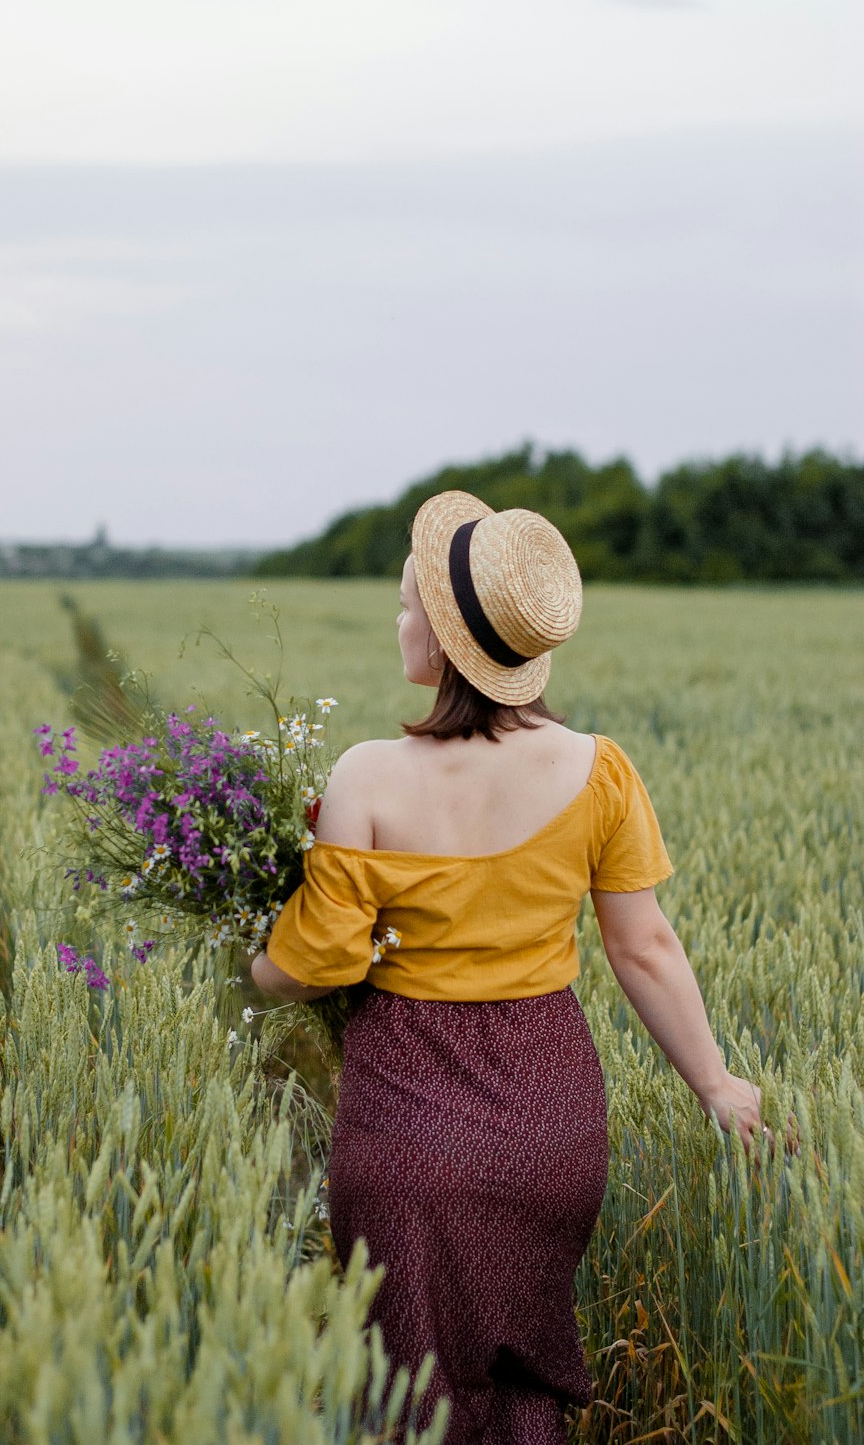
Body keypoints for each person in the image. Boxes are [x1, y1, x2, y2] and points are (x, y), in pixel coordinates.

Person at [251, 490, 766, 1445]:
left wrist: (249, 964)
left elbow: (318, 959)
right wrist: (716, 1082)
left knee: (409, 1388)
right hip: (549, 1119)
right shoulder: (599, 771)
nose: (398, 619)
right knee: (525, 1380)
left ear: (444, 644)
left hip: (406, 1119)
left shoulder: (366, 775)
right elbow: (644, 946)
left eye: (409, 604)